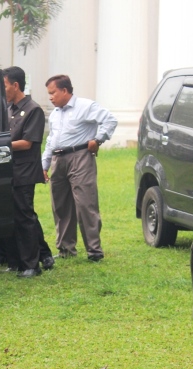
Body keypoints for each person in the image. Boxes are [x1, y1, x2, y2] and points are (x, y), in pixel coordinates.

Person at [0, 66, 54, 278]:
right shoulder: (8, 109)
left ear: (15, 85)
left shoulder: (33, 110)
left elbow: (27, 143)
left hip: (24, 172)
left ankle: (32, 264)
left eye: (2, 86)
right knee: (12, 216)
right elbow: (4, 136)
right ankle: (15, 261)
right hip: (7, 170)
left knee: (24, 217)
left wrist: (1, 146)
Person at [42, 74, 117, 262]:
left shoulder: (86, 106)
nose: (50, 97)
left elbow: (110, 120)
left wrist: (98, 139)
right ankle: (65, 249)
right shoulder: (54, 114)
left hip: (80, 156)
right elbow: (51, 140)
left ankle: (94, 251)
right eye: (49, 94)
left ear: (65, 90)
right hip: (57, 160)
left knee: (85, 204)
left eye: (53, 93)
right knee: (60, 205)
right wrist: (44, 164)